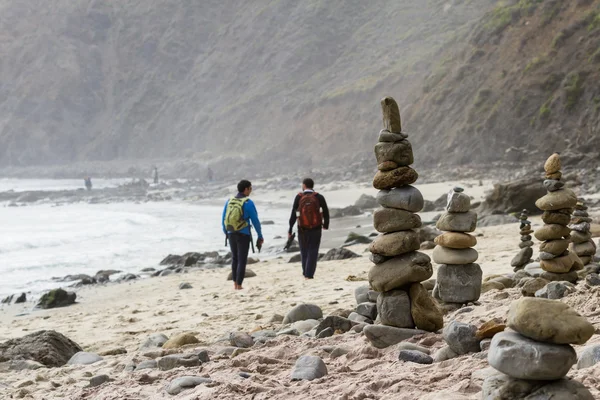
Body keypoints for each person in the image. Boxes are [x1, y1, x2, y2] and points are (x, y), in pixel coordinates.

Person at [222, 180, 264, 290]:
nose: (251, 191)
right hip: (243, 234)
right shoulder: (248, 203)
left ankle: (235, 284)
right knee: (242, 259)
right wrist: (260, 235)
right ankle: (239, 285)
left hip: (231, 233)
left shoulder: (229, 201)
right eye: (250, 188)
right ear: (246, 189)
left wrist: (226, 232)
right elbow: (255, 221)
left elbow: (223, 219)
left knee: (234, 258)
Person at [288, 178, 330, 279]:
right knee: (313, 250)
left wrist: (290, 229)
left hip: (302, 228)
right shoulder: (319, 197)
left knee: (304, 251)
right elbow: (325, 212)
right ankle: (309, 274)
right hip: (316, 228)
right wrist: (325, 225)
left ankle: (305, 272)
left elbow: (294, 214)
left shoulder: (299, 197)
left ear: (304, 185)